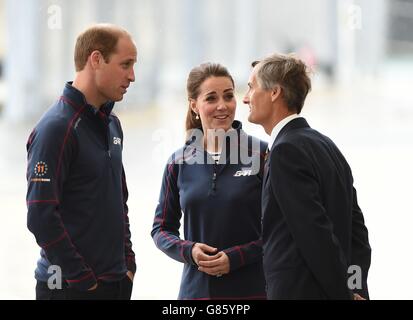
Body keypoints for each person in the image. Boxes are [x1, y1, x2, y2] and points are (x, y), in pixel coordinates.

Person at [243, 53, 371, 300]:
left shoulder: (284, 152)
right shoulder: (328, 146)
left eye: (251, 87)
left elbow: (314, 233)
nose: (246, 98)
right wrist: (354, 288)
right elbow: (357, 234)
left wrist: (344, 295)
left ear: (274, 93)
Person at [26, 24, 137, 300]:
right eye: (126, 65)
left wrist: (128, 264)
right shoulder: (56, 128)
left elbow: (118, 199)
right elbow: (40, 216)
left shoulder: (112, 124)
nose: (132, 76)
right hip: (69, 289)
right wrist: (82, 279)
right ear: (96, 59)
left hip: (115, 283)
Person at [151, 63, 267, 300]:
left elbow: (281, 231)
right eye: (211, 98)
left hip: (252, 292)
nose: (222, 106)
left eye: (228, 96)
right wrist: (189, 250)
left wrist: (235, 258)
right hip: (196, 294)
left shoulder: (262, 155)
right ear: (194, 105)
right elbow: (161, 229)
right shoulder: (179, 162)